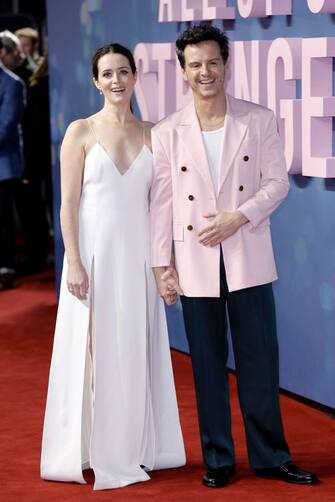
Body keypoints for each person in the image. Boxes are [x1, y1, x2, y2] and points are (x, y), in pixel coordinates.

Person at [150, 25, 318, 488]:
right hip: (194, 261)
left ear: (226, 64)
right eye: (195, 64)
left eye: (213, 62)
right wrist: (162, 267)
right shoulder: (166, 132)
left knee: (260, 360)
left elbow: (277, 183)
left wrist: (238, 217)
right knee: (206, 365)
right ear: (183, 71)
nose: (205, 72)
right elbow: (162, 204)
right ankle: (219, 459)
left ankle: (270, 456)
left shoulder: (257, 119)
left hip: (247, 255)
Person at [40, 43, 185, 490]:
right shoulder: (80, 132)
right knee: (92, 353)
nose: (117, 80)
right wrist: (75, 262)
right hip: (93, 261)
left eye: (124, 71)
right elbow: (68, 205)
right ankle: (90, 449)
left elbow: (163, 209)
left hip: (138, 262)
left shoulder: (152, 134)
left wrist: (165, 266)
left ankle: (134, 448)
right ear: (96, 81)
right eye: (108, 74)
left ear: (135, 76)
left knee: (133, 351)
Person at [0, 34, 25, 290]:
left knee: (3, 220)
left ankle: (6, 268)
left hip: (4, 166)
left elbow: (7, 124)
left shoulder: (12, 84)